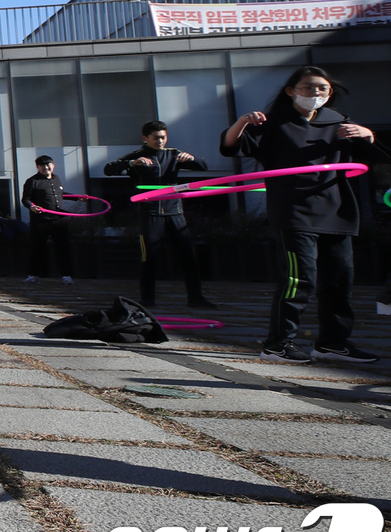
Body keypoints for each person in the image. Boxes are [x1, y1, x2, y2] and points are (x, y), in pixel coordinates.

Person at [221, 66, 380, 365]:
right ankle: (277, 344)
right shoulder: (274, 123)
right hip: (294, 210)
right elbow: (231, 148)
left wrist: (368, 135)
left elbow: (374, 159)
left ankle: (333, 343)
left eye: (322, 89)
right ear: (291, 91)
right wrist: (242, 121)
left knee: (339, 280)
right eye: (308, 88)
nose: (316, 94)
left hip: (337, 209)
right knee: (299, 278)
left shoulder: (340, 122)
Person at [104, 121, 215, 309]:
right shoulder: (137, 156)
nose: (160, 141)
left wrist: (192, 160)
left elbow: (204, 167)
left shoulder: (173, 154)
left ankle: (195, 297)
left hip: (175, 211)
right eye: (156, 138)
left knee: (188, 255)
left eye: (163, 137)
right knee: (150, 257)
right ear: (145, 138)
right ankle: (147, 299)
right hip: (150, 212)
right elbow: (108, 169)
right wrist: (132, 163)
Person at [20, 156, 74, 286]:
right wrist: (32, 207)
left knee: (63, 247)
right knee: (37, 247)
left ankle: (66, 276)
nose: (46, 168)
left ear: (53, 165)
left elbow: (61, 194)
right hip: (41, 220)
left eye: (48, 165)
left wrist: (78, 198)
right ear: (38, 167)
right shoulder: (32, 181)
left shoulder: (56, 179)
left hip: (59, 219)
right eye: (42, 166)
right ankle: (33, 275)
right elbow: (25, 199)